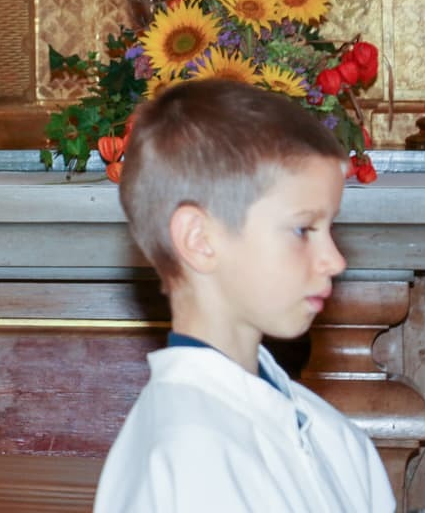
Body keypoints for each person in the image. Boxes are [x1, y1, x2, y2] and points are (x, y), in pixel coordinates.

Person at [94, 79, 393, 512]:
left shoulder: (334, 436)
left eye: (331, 227)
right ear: (199, 239)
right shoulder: (183, 460)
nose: (335, 260)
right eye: (303, 229)